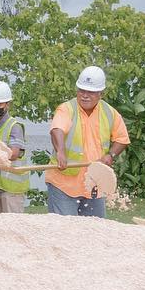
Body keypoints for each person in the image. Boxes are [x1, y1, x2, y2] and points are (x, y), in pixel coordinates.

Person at [46, 65, 129, 218]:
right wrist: (61, 152)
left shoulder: (110, 113)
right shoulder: (66, 109)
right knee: (65, 231)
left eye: (90, 92)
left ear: (100, 93)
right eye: (81, 91)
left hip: (94, 185)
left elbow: (122, 139)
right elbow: (57, 130)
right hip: (64, 184)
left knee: (94, 231)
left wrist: (110, 155)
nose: (84, 95)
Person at [0, 80, 28, 214]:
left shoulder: (14, 126)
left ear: (7, 104)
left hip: (13, 190)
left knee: (13, 227)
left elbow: (13, 153)